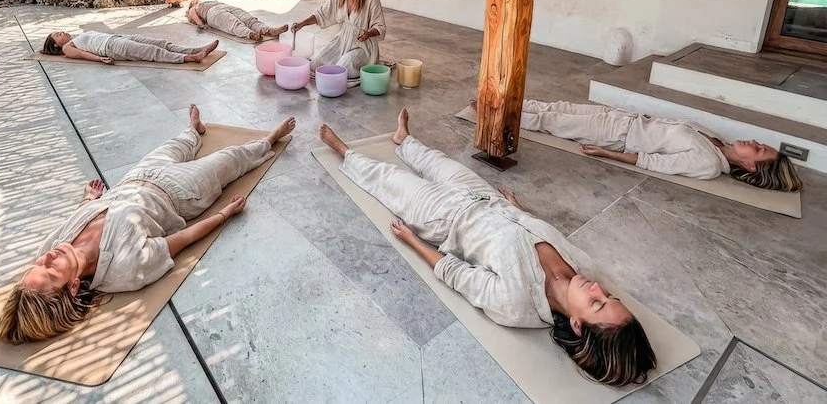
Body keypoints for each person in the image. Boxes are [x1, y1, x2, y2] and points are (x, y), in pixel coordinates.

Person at [318, 109, 656, 387]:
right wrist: (519, 209)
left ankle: (343, 150)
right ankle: (403, 140)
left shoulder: (516, 304)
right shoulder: (583, 266)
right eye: (610, 296)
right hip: (487, 198)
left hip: (445, 218)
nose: (597, 288)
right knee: (438, 162)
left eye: (596, 303)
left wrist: (413, 241)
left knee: (389, 180)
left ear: (579, 325)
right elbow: (539, 234)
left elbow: (457, 274)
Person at [0, 106, 296, 344]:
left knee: (174, 145)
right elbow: (182, 239)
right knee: (229, 158)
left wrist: (89, 199)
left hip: (133, 180)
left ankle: (195, 130)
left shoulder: (52, 247)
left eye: (38, 263)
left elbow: (81, 219)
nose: (47, 256)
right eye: (50, 269)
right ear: (74, 287)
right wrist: (223, 215)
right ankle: (269, 139)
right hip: (180, 193)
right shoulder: (126, 269)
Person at [510, 99, 803, 191]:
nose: (754, 142)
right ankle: (504, 98)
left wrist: (608, 153)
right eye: (761, 143)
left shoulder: (709, 164)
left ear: (751, 166)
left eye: (759, 149)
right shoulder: (717, 141)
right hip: (623, 118)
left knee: (550, 120)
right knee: (558, 106)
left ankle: (497, 115)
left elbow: (656, 163)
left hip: (616, 134)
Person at [291, 0, 386, 79]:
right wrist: (302, 24)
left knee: (342, 69)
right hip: (342, 41)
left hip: (362, 46)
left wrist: (368, 33)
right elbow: (323, 13)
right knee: (316, 65)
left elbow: (380, 26)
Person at [42, 30, 219, 65]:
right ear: (57, 46)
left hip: (117, 38)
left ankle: (196, 50)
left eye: (58, 31)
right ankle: (190, 58)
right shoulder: (67, 48)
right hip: (111, 47)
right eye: (57, 36)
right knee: (152, 52)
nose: (61, 32)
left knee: (159, 43)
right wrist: (100, 59)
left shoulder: (78, 36)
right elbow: (81, 55)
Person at [187, 0, 288, 41]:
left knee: (248, 19)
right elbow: (192, 14)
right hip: (212, 12)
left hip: (225, 6)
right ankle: (251, 34)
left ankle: (269, 30)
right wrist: (201, 25)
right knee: (232, 23)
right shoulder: (195, 7)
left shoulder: (207, 0)